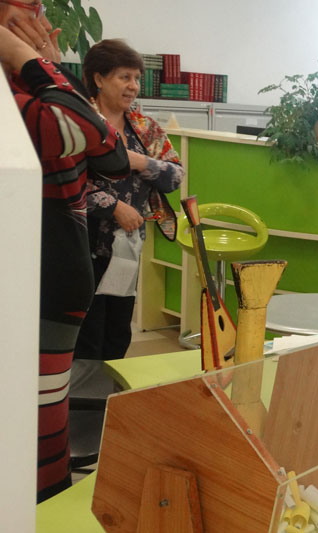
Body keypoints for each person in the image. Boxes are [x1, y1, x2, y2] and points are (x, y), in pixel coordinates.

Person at [0, 4, 129, 501]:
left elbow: (113, 155)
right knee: (27, 438)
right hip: (28, 283)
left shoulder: (35, 84)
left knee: (46, 433)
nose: (36, 15)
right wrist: (27, 56)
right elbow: (83, 130)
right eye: (23, 7)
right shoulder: (21, 88)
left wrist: (42, 66)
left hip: (55, 282)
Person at [74, 39, 185, 361]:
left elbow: (175, 176)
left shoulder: (144, 128)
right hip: (83, 244)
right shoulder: (81, 122)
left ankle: (112, 391)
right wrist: (113, 207)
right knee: (86, 337)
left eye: (136, 78)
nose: (133, 86)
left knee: (118, 332)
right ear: (99, 78)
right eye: (124, 77)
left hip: (128, 247)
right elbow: (64, 182)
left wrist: (140, 162)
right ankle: (86, 394)